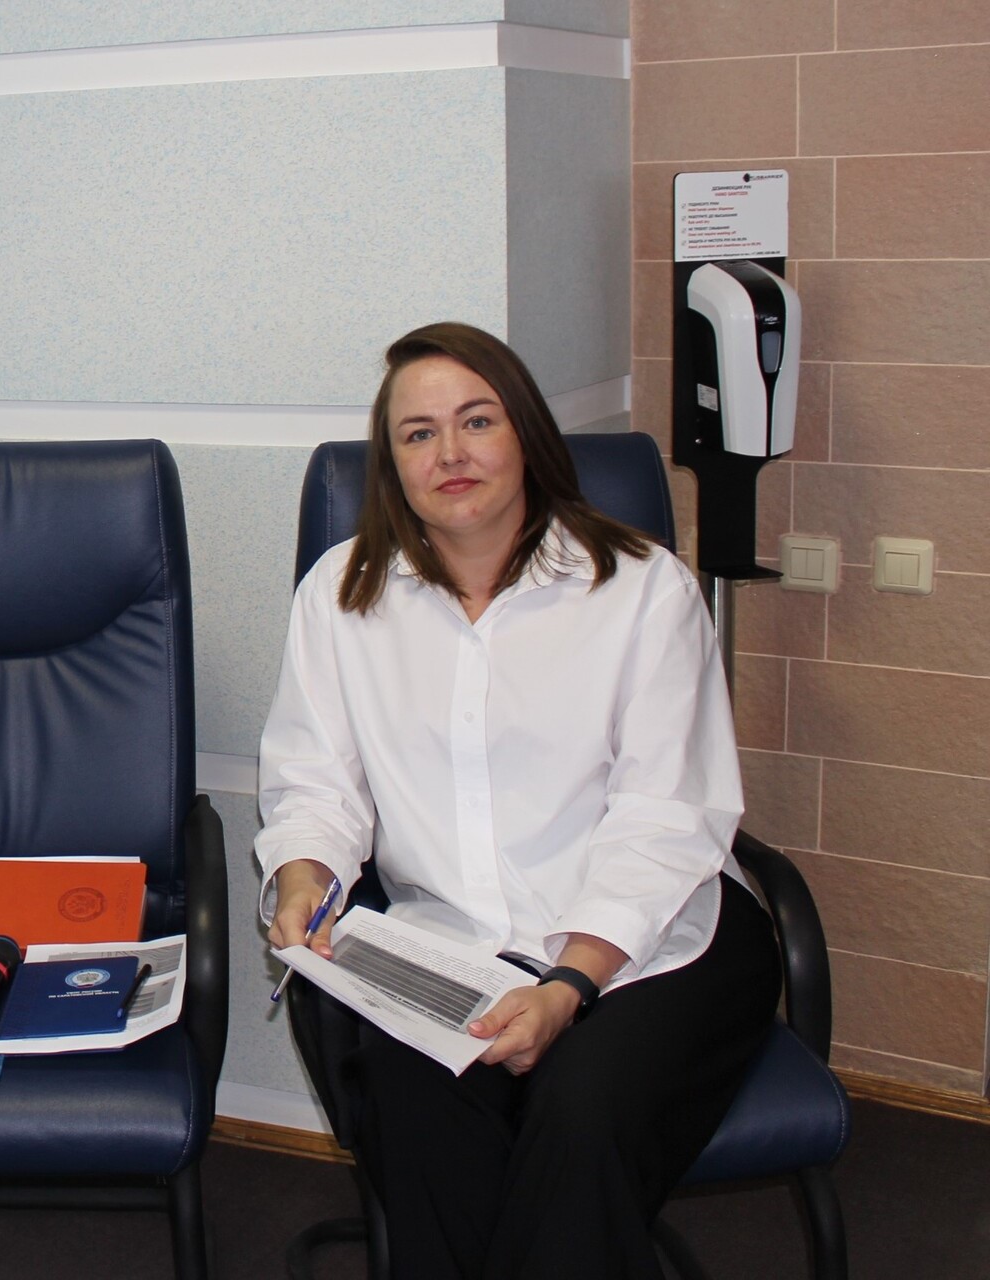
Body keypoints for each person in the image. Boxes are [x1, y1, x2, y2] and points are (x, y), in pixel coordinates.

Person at [256, 322, 780, 1279]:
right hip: (446, 949)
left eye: (477, 421)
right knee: (420, 1116)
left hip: (652, 944)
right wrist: (303, 876)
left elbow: (667, 818)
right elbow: (316, 782)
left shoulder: (642, 590)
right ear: (393, 465)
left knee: (581, 1119)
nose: (450, 453)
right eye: (418, 434)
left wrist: (568, 988)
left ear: (526, 435)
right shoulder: (341, 595)